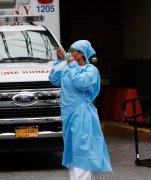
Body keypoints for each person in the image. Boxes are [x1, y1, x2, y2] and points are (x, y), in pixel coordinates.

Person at [49, 40, 112, 180]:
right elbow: (53, 79)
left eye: (73, 50)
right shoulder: (67, 67)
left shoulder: (91, 70)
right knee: (72, 148)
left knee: (82, 147)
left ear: (82, 53)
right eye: (69, 50)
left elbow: (82, 83)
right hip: (67, 114)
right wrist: (59, 60)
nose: (69, 53)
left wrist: (72, 65)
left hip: (82, 113)